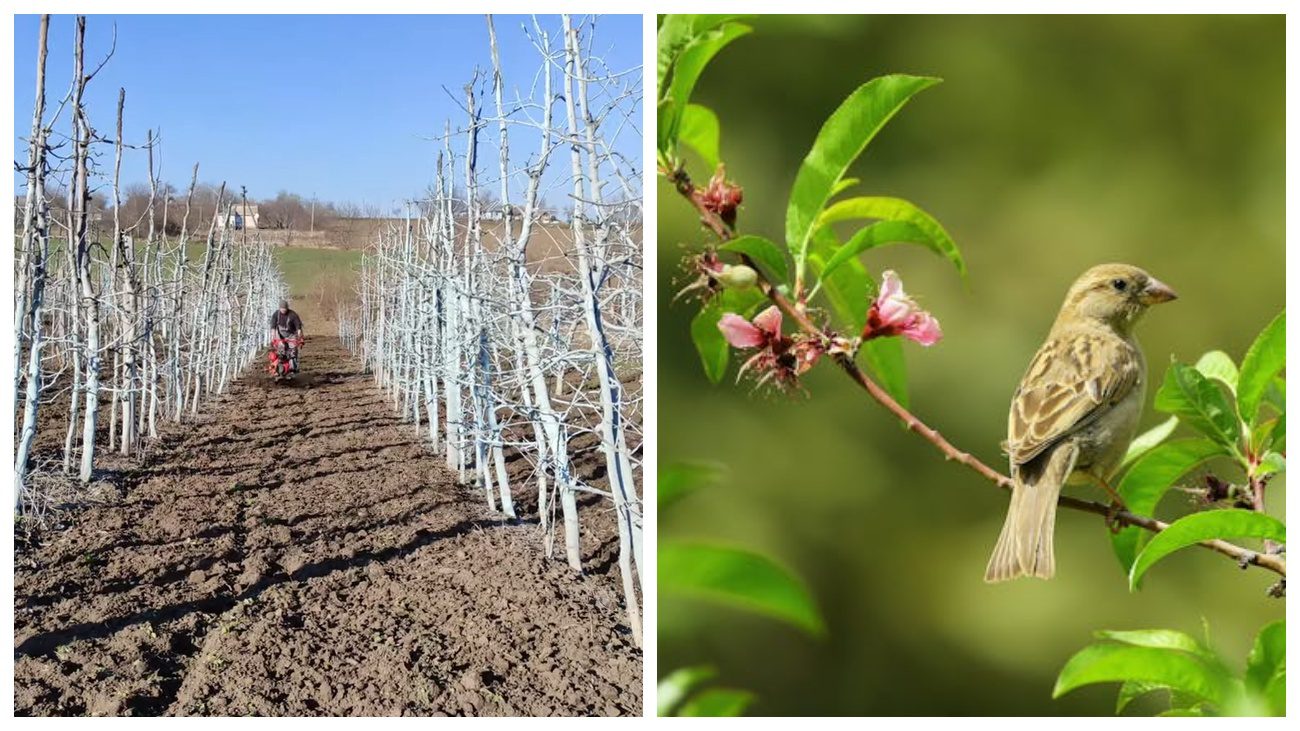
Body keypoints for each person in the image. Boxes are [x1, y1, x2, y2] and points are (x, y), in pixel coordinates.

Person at [270, 300, 304, 373]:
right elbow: (273, 326)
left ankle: (293, 368)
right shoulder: (276, 314)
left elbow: (298, 327)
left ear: (287, 308)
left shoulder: (293, 315)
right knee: (280, 351)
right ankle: (278, 368)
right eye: (282, 308)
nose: (283, 310)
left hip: (291, 335)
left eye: (285, 308)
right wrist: (273, 337)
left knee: (293, 352)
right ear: (279, 308)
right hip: (280, 335)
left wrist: (299, 338)